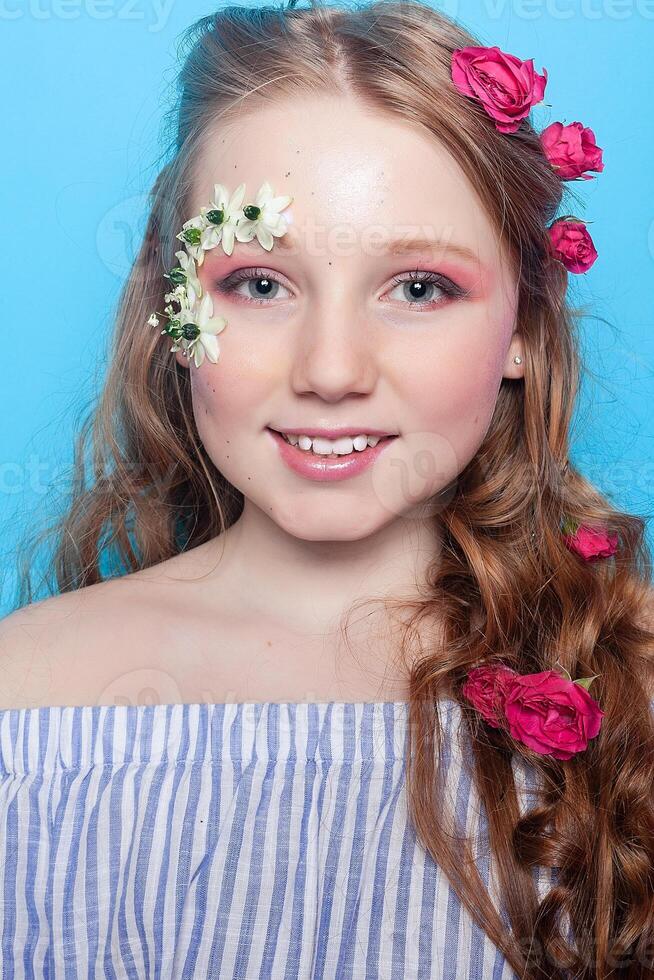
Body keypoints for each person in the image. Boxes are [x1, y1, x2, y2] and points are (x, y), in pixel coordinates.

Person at [1, 0, 653, 976]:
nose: (333, 367)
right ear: (172, 307)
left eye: (420, 287)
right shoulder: (22, 702)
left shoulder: (634, 687)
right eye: (260, 283)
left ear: (524, 318)